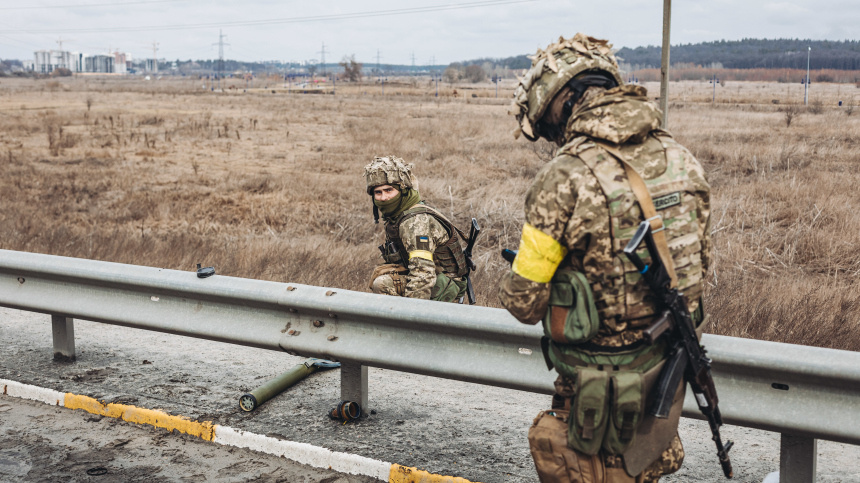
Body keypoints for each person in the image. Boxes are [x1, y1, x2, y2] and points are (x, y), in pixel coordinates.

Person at [499, 34, 711, 482]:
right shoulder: (682, 159)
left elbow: (523, 303)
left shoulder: (565, 176)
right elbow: (696, 268)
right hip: (661, 386)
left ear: (562, 102)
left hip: (595, 403)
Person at [365, 156, 470, 302]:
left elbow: (423, 275)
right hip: (434, 278)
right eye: (378, 192)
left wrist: (412, 316)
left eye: (389, 190)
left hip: (445, 286)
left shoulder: (415, 222)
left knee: (382, 284)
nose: (384, 197)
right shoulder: (397, 215)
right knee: (382, 274)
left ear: (402, 189)